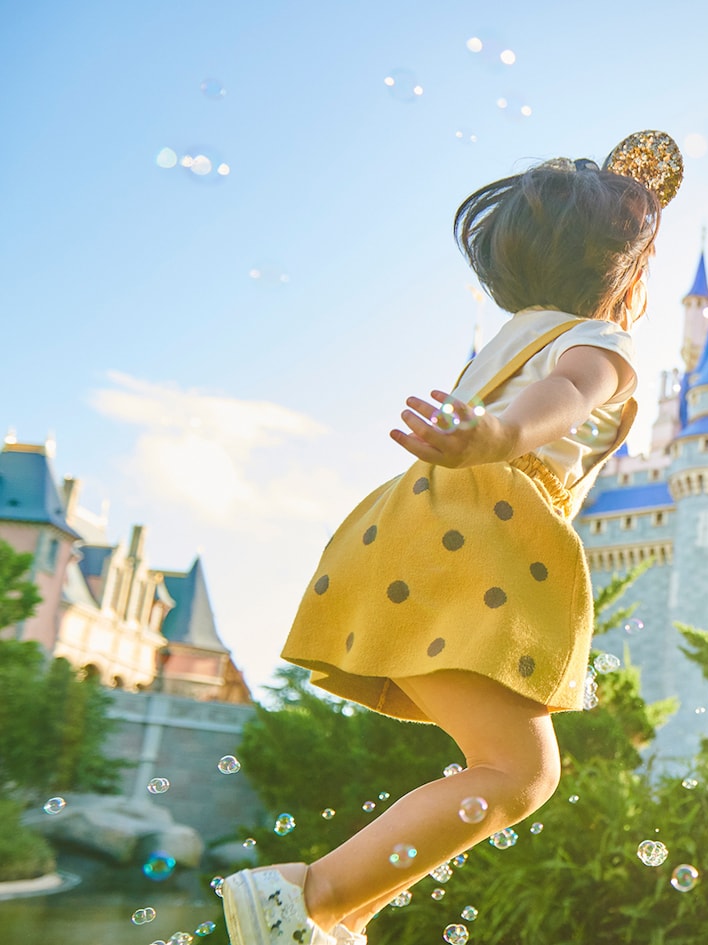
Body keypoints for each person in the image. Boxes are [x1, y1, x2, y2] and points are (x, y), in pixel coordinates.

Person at [218, 133, 681, 945]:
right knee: (520, 772)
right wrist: (501, 435)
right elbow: (568, 398)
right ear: (624, 271)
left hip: (409, 536)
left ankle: (339, 916)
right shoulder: (601, 347)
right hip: (481, 542)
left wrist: (487, 429)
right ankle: (306, 891)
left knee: (491, 765)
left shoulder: (515, 335)